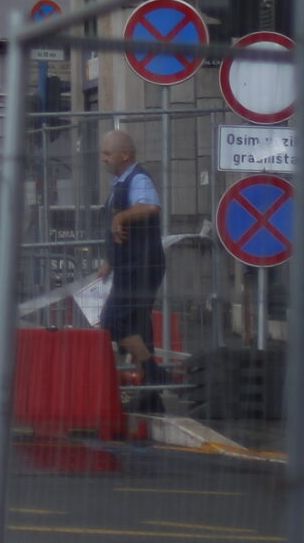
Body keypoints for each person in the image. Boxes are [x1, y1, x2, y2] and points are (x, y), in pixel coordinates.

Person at [96, 129, 168, 405]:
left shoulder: (138, 178)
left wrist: (121, 217)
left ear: (124, 155)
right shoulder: (120, 183)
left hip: (142, 265)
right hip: (129, 265)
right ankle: (151, 394)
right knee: (138, 325)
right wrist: (110, 261)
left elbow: (150, 207)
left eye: (107, 153)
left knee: (113, 321)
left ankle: (152, 372)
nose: (103, 159)